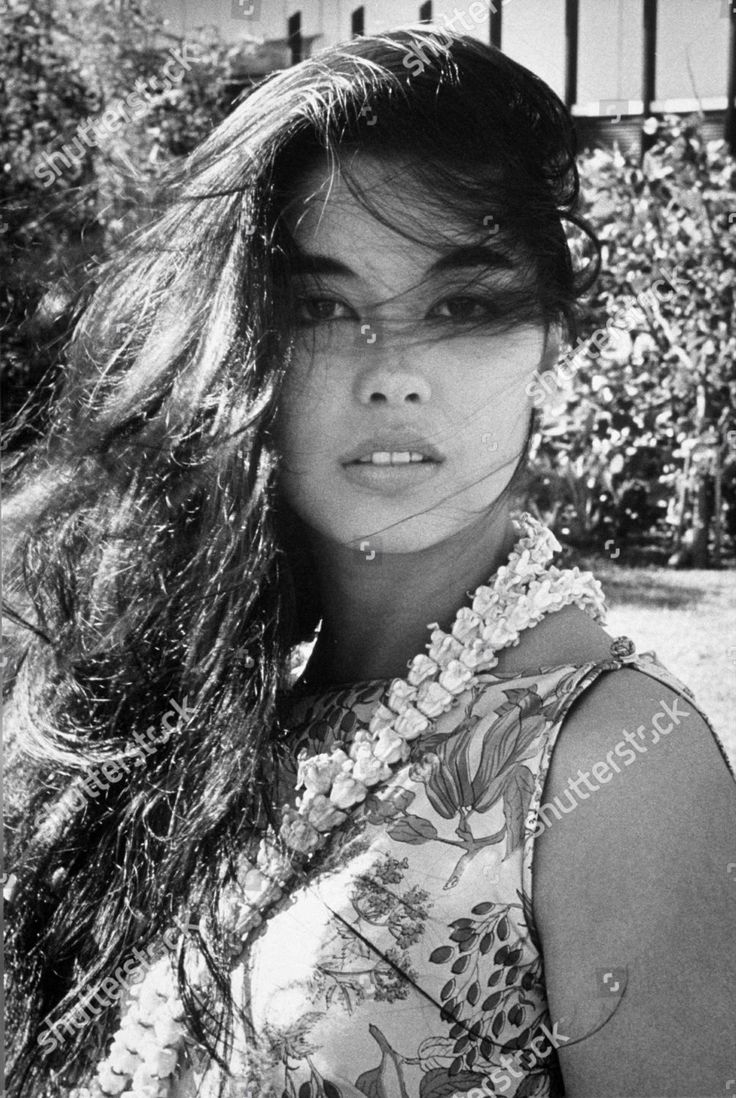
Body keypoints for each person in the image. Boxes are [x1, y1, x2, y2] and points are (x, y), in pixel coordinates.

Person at [3, 26, 735, 1098]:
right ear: (241, 342)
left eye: (462, 304)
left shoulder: (610, 766)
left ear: (550, 346)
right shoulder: (215, 714)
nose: (392, 372)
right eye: (321, 307)